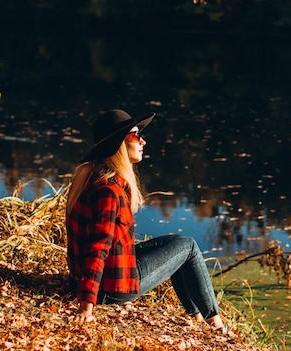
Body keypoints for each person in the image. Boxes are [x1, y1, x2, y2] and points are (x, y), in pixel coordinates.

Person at [65, 109, 226, 332]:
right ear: (118, 144)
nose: (143, 140)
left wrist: (80, 288)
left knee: (177, 244)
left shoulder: (90, 176)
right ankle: (217, 326)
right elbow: (97, 248)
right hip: (112, 289)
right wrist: (86, 307)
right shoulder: (109, 191)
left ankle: (196, 317)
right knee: (188, 247)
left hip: (89, 280)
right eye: (135, 135)